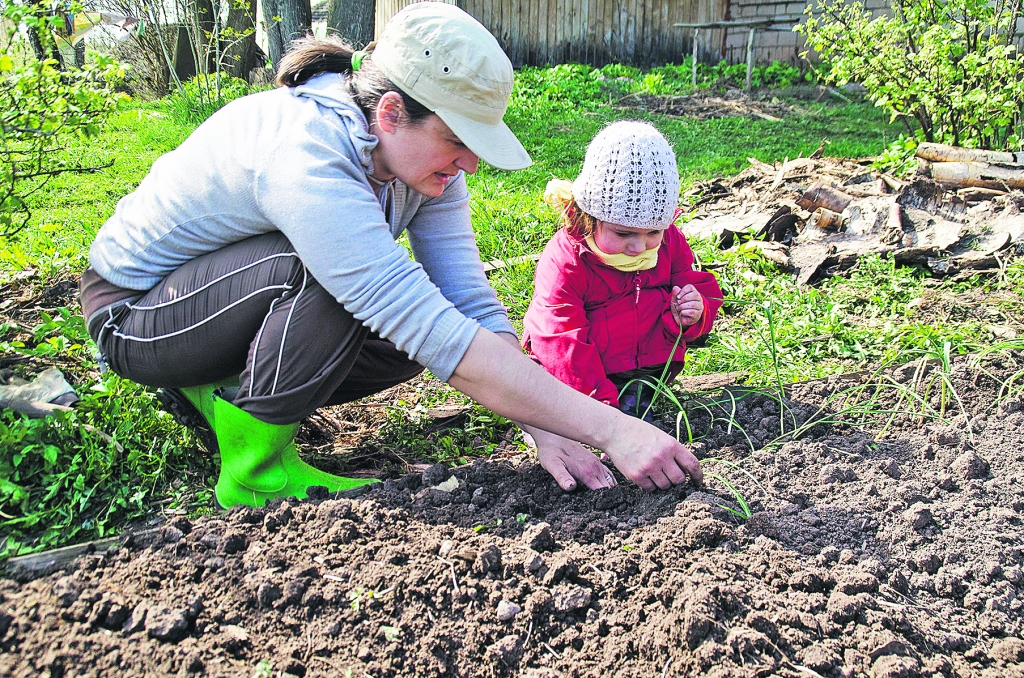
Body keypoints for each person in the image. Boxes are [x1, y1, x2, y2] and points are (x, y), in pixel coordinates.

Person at [78, 2, 703, 509]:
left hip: (222, 301)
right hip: (138, 316)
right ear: (391, 112)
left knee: (420, 332)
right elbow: (419, 319)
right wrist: (613, 428)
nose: (469, 164)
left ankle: (221, 391)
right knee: (331, 279)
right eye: (458, 141)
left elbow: (467, 304)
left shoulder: (425, 172)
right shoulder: (306, 151)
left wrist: (548, 427)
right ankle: (254, 474)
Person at [523, 121, 722, 421]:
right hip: (579, 375)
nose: (639, 247)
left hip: (646, 370)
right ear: (588, 216)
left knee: (637, 406)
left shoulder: (669, 242)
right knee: (556, 395)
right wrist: (603, 412)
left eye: (653, 231)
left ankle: (635, 396)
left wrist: (696, 311)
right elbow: (562, 337)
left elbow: (698, 288)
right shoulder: (568, 260)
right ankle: (567, 411)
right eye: (623, 233)